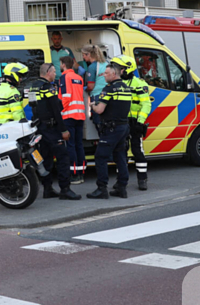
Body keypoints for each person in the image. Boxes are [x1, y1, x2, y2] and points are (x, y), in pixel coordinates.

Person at [86, 57, 132, 200]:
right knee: (120, 157)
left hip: (111, 129)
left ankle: (102, 189)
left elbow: (99, 110)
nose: (104, 75)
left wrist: (92, 104)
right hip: (123, 127)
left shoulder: (109, 89)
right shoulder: (126, 88)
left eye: (106, 73)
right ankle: (122, 188)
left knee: (100, 157)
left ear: (114, 74)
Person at [34, 63, 80, 200]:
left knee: (46, 159)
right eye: (54, 72)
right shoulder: (48, 87)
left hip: (40, 128)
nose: (55, 74)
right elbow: (56, 110)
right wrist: (63, 130)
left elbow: (34, 107)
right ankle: (65, 190)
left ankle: (47, 189)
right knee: (63, 159)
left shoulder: (34, 86)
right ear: (48, 72)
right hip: (52, 129)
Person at [121, 55, 153, 191]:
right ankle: (121, 181)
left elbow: (146, 104)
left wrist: (140, 122)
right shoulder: (116, 83)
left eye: (121, 68)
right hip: (121, 123)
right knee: (120, 152)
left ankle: (142, 179)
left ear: (128, 69)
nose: (118, 70)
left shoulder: (140, 84)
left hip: (135, 123)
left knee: (137, 151)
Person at [59, 55, 87, 184]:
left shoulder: (64, 77)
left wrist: (59, 111)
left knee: (70, 145)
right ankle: (81, 173)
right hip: (80, 115)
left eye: (60, 64)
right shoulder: (78, 77)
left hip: (69, 115)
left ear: (63, 64)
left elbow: (66, 97)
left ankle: (74, 174)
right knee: (78, 144)